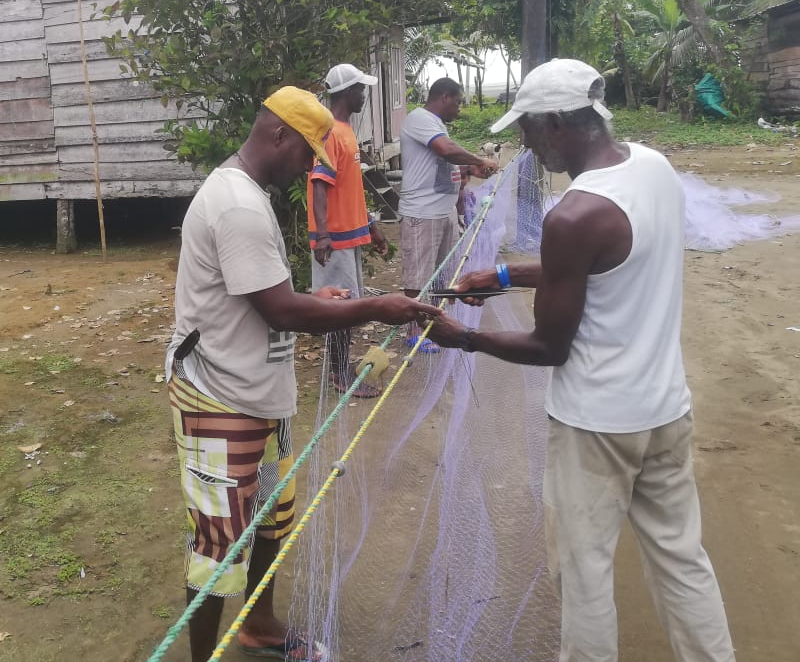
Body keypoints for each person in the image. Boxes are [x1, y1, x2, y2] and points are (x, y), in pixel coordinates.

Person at [427, 59, 735, 662]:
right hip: (665, 410)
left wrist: (461, 337)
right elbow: (612, 260)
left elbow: (549, 347)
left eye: (530, 132)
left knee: (584, 573)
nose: (527, 146)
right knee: (681, 557)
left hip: (597, 425)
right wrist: (506, 274)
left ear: (561, 125)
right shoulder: (651, 165)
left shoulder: (573, 214)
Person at [165, 86, 440, 662]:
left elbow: (267, 295)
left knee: (272, 515)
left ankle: (258, 625)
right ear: (278, 134)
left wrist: (320, 297)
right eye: (308, 152)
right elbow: (281, 311)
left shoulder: (248, 193)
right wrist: (373, 305)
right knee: (219, 546)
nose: (310, 167)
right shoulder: (238, 204)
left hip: (260, 392)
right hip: (219, 397)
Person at [307, 63, 390, 398]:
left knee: (347, 306)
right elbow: (319, 185)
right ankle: (340, 377)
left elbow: (351, 188)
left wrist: (372, 228)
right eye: (360, 88)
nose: (364, 94)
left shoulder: (346, 131)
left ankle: (340, 366)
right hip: (335, 240)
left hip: (349, 236)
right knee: (340, 308)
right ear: (346, 93)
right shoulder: (330, 133)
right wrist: (323, 234)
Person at [398, 77, 498, 350]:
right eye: (458, 102)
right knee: (419, 277)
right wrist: (479, 160)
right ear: (444, 97)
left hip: (443, 213)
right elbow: (445, 149)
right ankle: (414, 332)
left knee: (443, 276)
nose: (459, 109)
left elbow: (440, 163)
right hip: (423, 213)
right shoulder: (419, 118)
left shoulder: (437, 125)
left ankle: (436, 326)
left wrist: (468, 171)